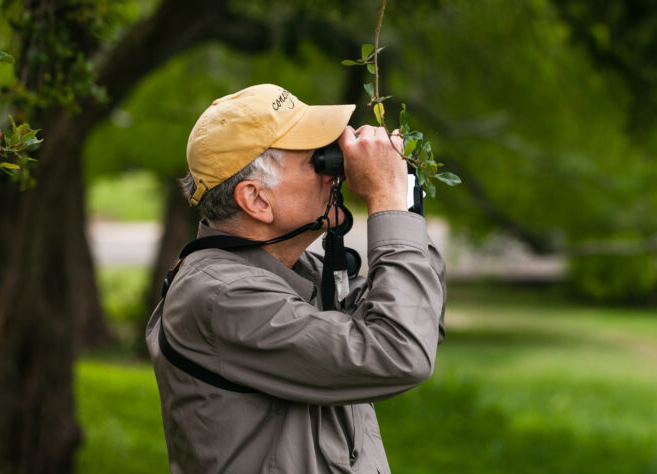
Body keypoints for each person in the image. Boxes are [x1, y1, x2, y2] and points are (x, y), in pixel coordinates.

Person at [146, 83, 446, 473]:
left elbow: (418, 317)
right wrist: (386, 201)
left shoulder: (298, 273)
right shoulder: (223, 296)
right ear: (256, 199)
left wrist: (402, 195)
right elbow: (400, 353)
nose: (334, 170)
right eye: (318, 160)